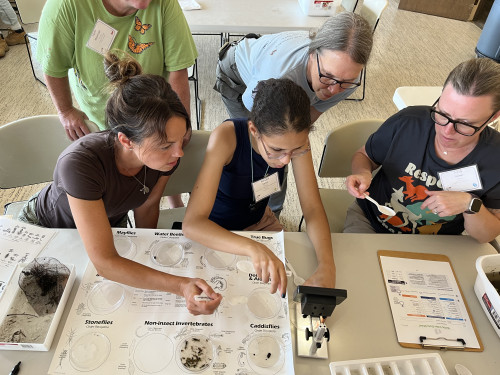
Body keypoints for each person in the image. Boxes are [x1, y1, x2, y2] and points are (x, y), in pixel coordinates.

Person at [18, 52, 221, 315]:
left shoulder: (166, 158)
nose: (179, 153)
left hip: (110, 223)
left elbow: (147, 206)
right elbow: (104, 262)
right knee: (44, 312)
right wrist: (180, 285)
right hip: (50, 230)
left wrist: (151, 255)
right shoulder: (80, 164)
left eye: (180, 139)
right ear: (126, 140)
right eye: (165, 145)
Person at [183, 78, 336, 298]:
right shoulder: (227, 137)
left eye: (295, 150)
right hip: (215, 229)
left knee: (287, 286)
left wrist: (327, 266)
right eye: (276, 150)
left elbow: (312, 207)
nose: (285, 161)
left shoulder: (295, 142)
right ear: (254, 130)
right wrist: (253, 248)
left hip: (259, 220)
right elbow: (193, 224)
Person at [214, 11, 373, 216]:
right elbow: (265, 139)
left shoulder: (348, 78)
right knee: (255, 155)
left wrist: (291, 150)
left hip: (269, 57)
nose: (334, 90)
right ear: (312, 54)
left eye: (345, 81)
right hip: (236, 73)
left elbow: (307, 121)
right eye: (327, 76)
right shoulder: (276, 74)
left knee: (283, 154)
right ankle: (249, 212)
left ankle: (274, 212)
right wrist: (280, 153)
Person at [345, 58, 500, 243]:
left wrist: (470, 204)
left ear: (494, 117)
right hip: (370, 221)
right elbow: (364, 155)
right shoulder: (408, 122)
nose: (446, 131)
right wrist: (363, 172)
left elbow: (486, 235)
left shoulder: (495, 159)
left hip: (437, 242)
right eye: (443, 114)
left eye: (465, 124)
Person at [37, 0, 196, 141]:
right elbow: (53, 65)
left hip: (155, 122)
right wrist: (66, 111)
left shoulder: (164, 4)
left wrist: (181, 122)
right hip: (98, 124)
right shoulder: (65, 5)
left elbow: (178, 68)